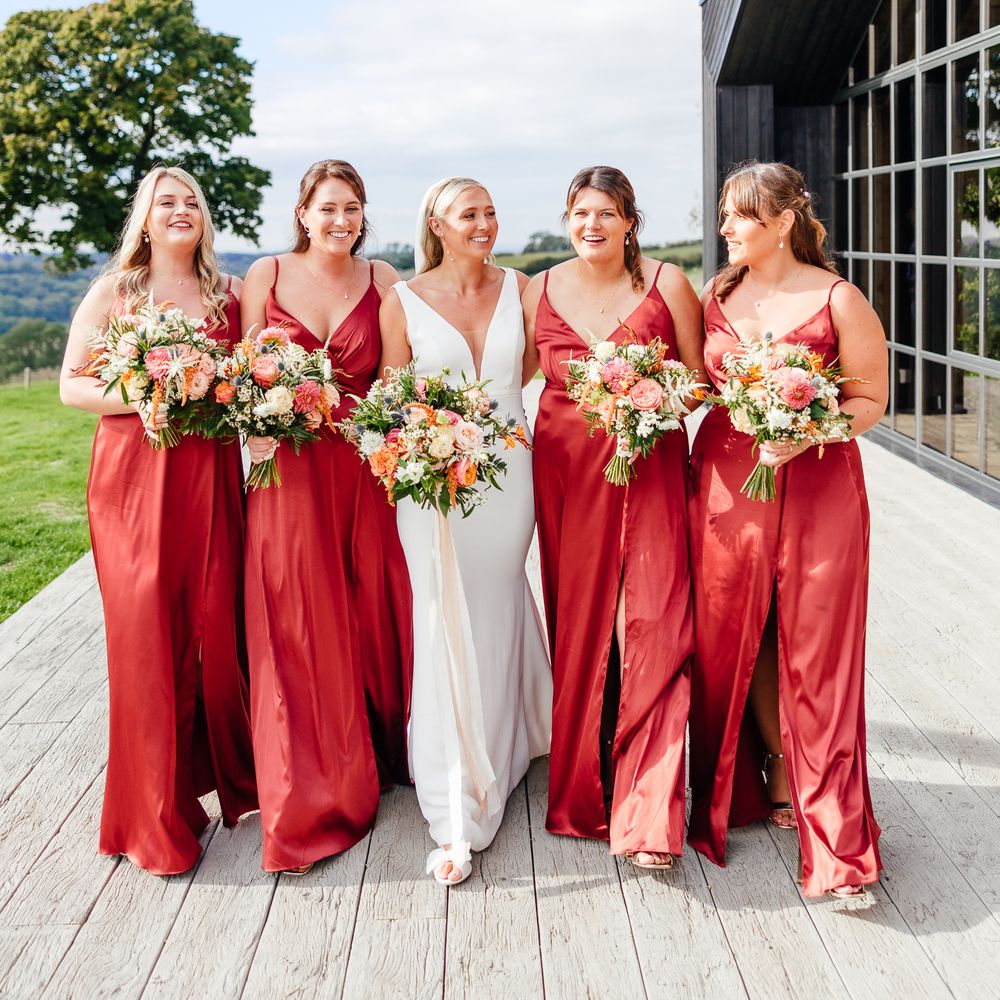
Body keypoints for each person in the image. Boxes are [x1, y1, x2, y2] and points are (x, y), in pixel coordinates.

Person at [687, 160, 887, 898]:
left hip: (820, 484)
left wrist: (807, 433)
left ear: (780, 222)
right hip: (725, 483)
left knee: (818, 646)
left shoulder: (838, 298)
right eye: (723, 215)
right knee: (738, 635)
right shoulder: (718, 293)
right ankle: (768, 770)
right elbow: (703, 384)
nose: (725, 229)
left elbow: (870, 401)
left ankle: (837, 836)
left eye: (739, 216)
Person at [60, 165, 257, 874]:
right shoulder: (114, 292)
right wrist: (140, 390)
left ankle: (220, 784)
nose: (181, 210)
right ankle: (149, 817)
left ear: (204, 219)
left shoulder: (227, 295)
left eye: (192, 202)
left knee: (211, 629)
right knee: (145, 639)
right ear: (142, 219)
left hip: (206, 478)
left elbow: (248, 377)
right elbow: (70, 384)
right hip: (133, 482)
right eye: (165, 201)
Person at [522, 165, 704, 869]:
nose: (591, 225)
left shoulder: (666, 284)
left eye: (606, 213)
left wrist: (652, 402)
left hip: (649, 470)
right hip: (565, 477)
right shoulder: (537, 287)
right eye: (579, 213)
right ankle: (584, 786)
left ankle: (650, 811)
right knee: (583, 628)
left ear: (630, 220)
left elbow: (698, 381)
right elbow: (504, 376)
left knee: (652, 625)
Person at [378, 177, 551, 885]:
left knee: (500, 603)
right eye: (467, 215)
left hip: (511, 477)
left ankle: (511, 745)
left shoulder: (526, 290)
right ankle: (456, 803)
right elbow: (391, 398)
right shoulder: (404, 300)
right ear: (437, 225)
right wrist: (428, 444)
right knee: (444, 618)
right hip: (433, 487)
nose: (483, 224)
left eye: (489, 211)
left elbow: (533, 368)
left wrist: (494, 422)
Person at [240, 159, 411, 873]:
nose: (341, 220)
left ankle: (379, 749)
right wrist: (259, 419)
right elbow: (242, 369)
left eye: (352, 208)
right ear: (303, 212)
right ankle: (304, 792)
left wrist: (381, 429)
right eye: (328, 208)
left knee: (368, 613)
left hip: (360, 469)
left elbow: (398, 383)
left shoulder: (385, 283)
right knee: (294, 622)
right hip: (287, 471)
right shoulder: (265, 277)